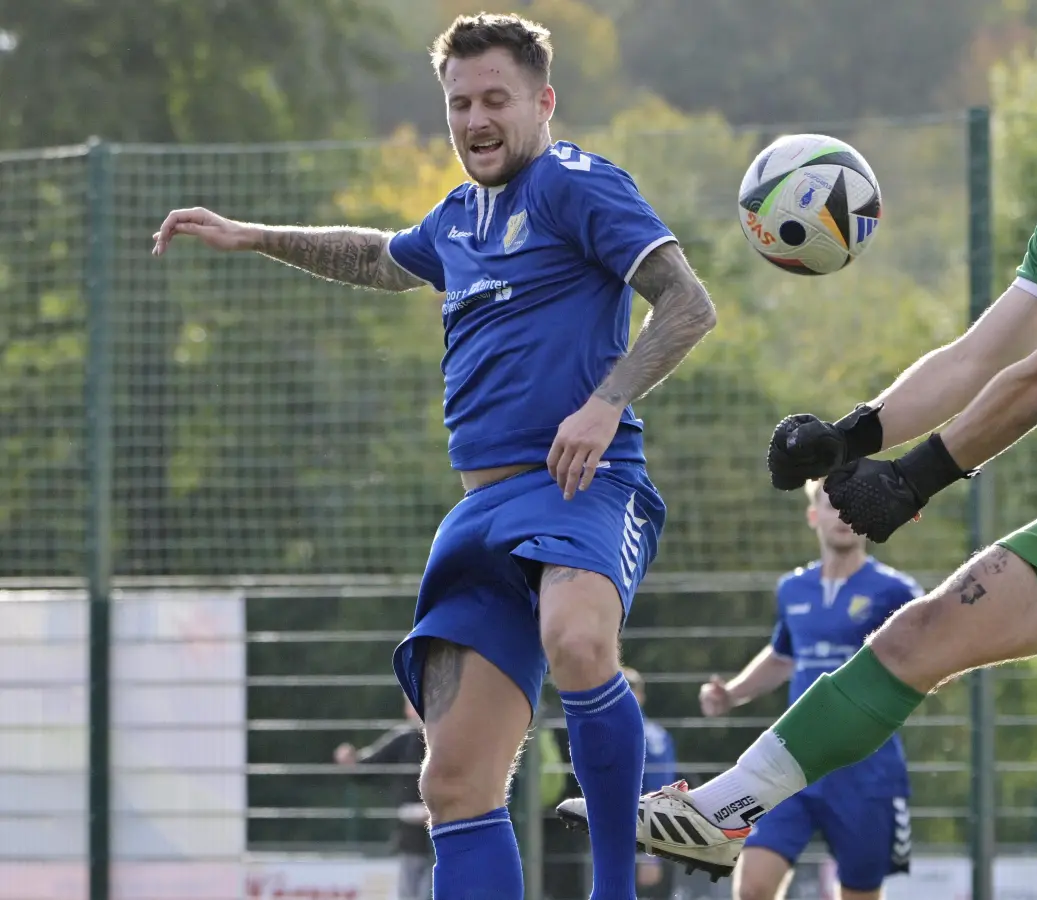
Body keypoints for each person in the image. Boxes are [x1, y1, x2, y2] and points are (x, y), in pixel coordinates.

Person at [562, 6, 1037, 898]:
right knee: (914, 636)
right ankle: (722, 811)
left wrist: (917, 477)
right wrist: (854, 434)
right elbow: (975, 356)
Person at [152, 13, 717, 899]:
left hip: (580, 486)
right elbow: (380, 258)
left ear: (544, 101)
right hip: (481, 514)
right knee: (451, 782)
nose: (477, 119)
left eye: (497, 99)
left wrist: (607, 404)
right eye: (460, 104)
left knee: (576, 642)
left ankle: (619, 888)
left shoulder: (575, 184)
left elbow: (688, 304)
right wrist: (253, 235)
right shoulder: (458, 214)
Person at [697, 480, 920, 900]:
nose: (843, 515)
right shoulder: (792, 589)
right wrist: (732, 693)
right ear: (813, 515)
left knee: (858, 893)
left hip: (866, 772)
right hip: (793, 762)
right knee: (753, 887)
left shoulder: (896, 591)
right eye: (833, 505)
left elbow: (932, 653)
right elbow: (782, 656)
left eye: (853, 505)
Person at [334, 698, 432, 900]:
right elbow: (368, 765)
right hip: (412, 833)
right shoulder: (404, 738)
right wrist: (351, 762)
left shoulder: (450, 739)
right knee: (412, 881)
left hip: (446, 828)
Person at [624, 666, 680, 898]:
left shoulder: (648, 736)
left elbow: (659, 794)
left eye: (629, 689)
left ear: (641, 695)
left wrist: (650, 854)